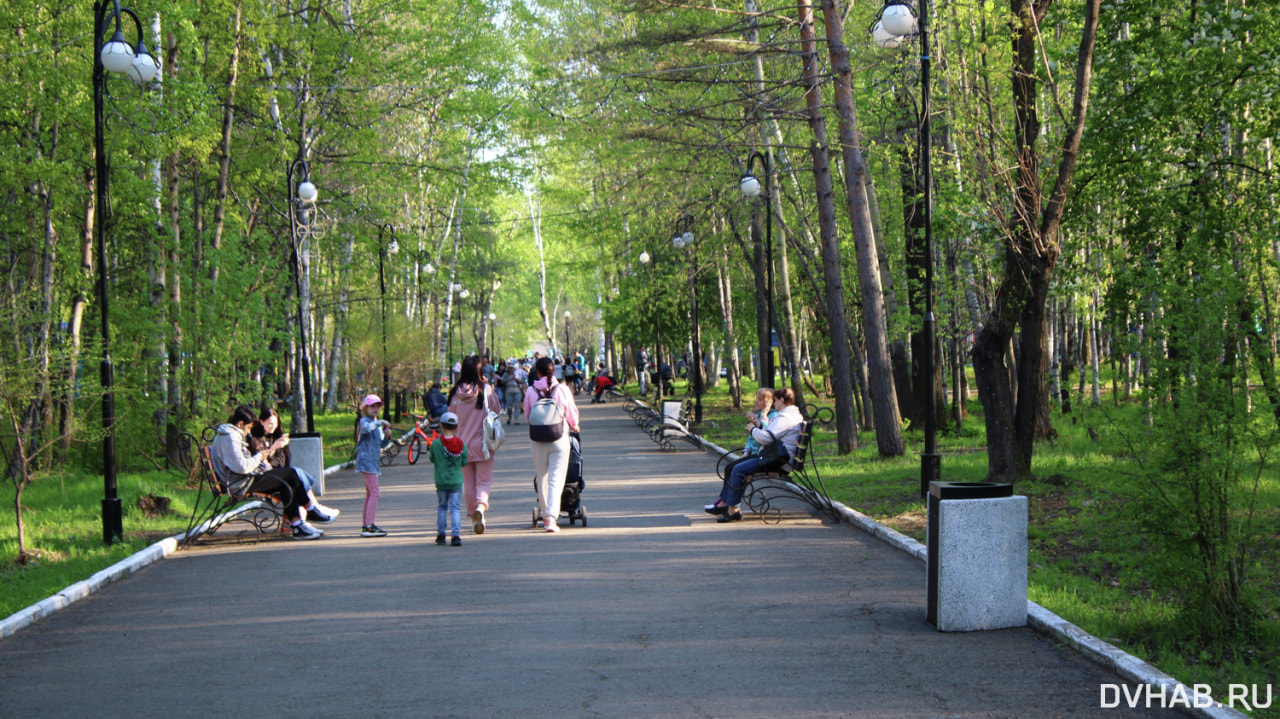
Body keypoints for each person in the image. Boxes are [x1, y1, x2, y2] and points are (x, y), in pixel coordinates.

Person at [211, 405, 330, 540]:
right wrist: (259, 457)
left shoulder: (228, 434)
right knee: (290, 474)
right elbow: (242, 467)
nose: (249, 432)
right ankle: (309, 510)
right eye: (248, 428)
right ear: (240, 424)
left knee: (286, 480)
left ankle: (298, 524)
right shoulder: (230, 438)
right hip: (241, 483)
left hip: (242, 479)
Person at [704, 387, 802, 523]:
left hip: (777, 461)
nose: (774, 404)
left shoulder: (785, 417)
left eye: (776, 401)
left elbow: (766, 438)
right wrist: (758, 424)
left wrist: (753, 429)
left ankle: (733, 511)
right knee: (733, 466)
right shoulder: (791, 415)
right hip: (776, 457)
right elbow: (770, 433)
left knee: (738, 469)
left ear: (781, 400)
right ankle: (725, 505)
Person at [248, 407, 339, 524]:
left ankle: (307, 515)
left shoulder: (276, 437)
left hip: (276, 475)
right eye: (270, 423)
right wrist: (273, 449)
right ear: (261, 422)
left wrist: (274, 453)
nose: (273, 426)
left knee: (295, 476)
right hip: (265, 478)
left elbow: (281, 461)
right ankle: (313, 508)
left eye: (275, 423)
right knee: (294, 474)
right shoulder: (256, 439)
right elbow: (261, 461)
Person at [523, 356, 581, 533]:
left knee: (542, 476)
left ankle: (544, 511)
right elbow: (571, 412)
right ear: (553, 371)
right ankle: (551, 517)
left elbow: (528, 416)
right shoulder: (562, 389)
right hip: (559, 438)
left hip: (538, 439)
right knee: (557, 478)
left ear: (537, 372)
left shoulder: (531, 391)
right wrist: (574, 425)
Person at [447, 356, 502, 534]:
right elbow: (497, 410)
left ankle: (473, 517)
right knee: (484, 481)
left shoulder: (455, 393)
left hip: (462, 444)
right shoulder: (485, 390)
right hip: (484, 443)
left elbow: (451, 418)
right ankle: (480, 508)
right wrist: (487, 386)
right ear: (480, 372)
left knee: (468, 484)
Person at [356, 394, 393, 537]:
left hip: (373, 461)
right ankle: (369, 525)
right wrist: (380, 423)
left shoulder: (376, 423)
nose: (376, 409)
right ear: (365, 408)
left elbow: (381, 444)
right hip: (367, 461)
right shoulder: (365, 421)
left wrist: (387, 435)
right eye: (372, 406)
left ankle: (366, 525)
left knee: (371, 493)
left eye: (378, 406)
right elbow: (365, 429)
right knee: (375, 492)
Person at [429, 411, 468, 546]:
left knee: (442, 507)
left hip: (441, 481)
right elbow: (464, 461)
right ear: (456, 427)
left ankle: (441, 534)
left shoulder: (436, 445)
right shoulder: (461, 444)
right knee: (455, 508)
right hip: (456, 481)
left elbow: (432, 458)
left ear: (441, 425)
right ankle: (456, 535)